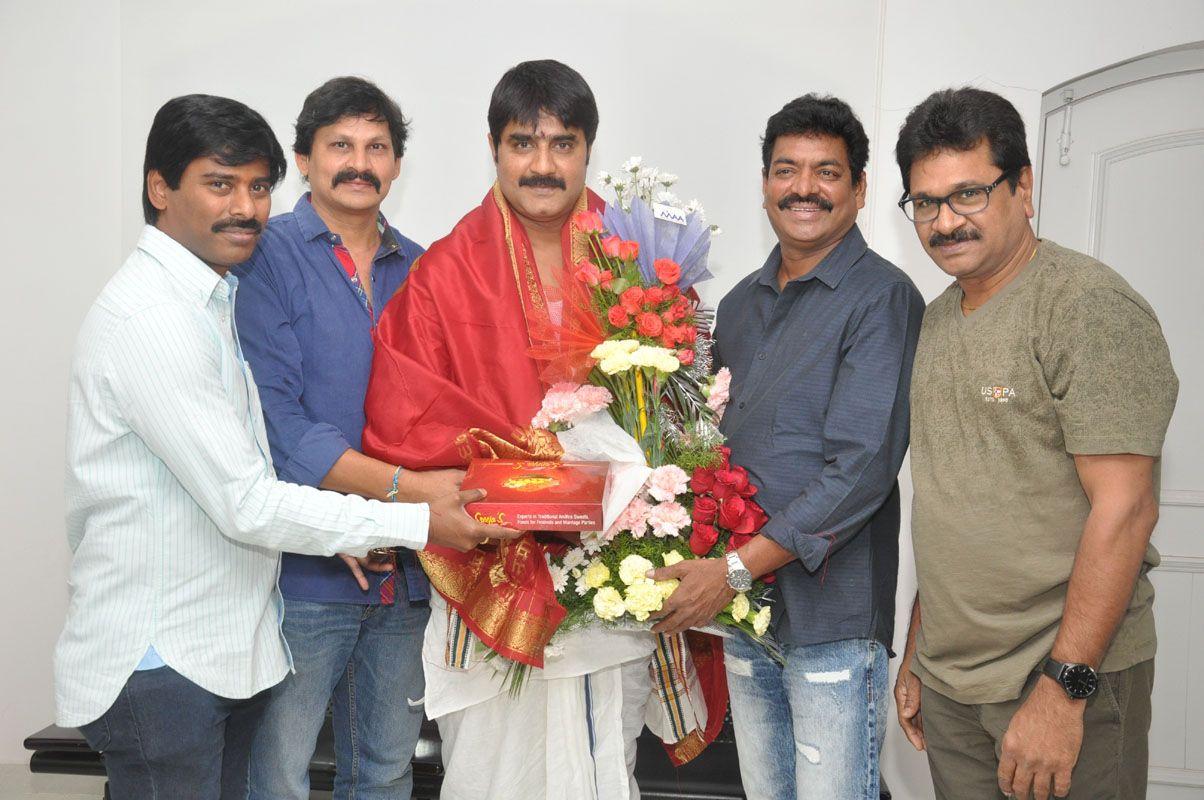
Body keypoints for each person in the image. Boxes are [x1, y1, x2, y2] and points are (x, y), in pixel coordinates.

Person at [55, 93, 509, 800]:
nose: (245, 206)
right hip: (164, 656)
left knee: (379, 770)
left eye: (257, 186)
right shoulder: (159, 319)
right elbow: (251, 490)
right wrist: (414, 514)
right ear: (159, 188)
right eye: (220, 183)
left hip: (226, 640)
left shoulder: (208, 298)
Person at [362, 60, 665, 800]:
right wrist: (521, 475)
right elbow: (404, 412)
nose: (542, 164)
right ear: (493, 148)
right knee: (496, 769)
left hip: (611, 570)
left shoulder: (635, 264)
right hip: (492, 561)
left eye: (562, 145)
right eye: (523, 143)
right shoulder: (445, 273)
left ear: (588, 150)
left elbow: (676, 404)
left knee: (603, 759)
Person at [892, 87, 1178, 800]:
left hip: (1063, 680)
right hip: (955, 684)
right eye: (924, 203)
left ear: (1024, 187)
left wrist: (1063, 691)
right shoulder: (935, 323)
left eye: (967, 194)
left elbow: (1127, 513)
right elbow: (956, 499)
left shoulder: (1083, 307)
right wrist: (920, 650)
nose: (944, 221)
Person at [648, 94, 924, 799]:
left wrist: (733, 569)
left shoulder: (882, 299)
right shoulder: (739, 305)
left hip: (832, 616)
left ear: (859, 191)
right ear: (765, 184)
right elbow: (713, 451)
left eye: (826, 172)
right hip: (746, 617)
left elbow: (860, 468)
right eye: (786, 169)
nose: (804, 188)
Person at [233, 76, 457, 800]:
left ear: (395, 164)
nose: (359, 163)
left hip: (403, 574)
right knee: (277, 778)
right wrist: (398, 502)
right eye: (340, 146)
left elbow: (444, 412)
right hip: (305, 567)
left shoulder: (426, 270)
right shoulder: (264, 257)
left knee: (386, 772)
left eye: (376, 147)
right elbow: (282, 425)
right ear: (303, 158)